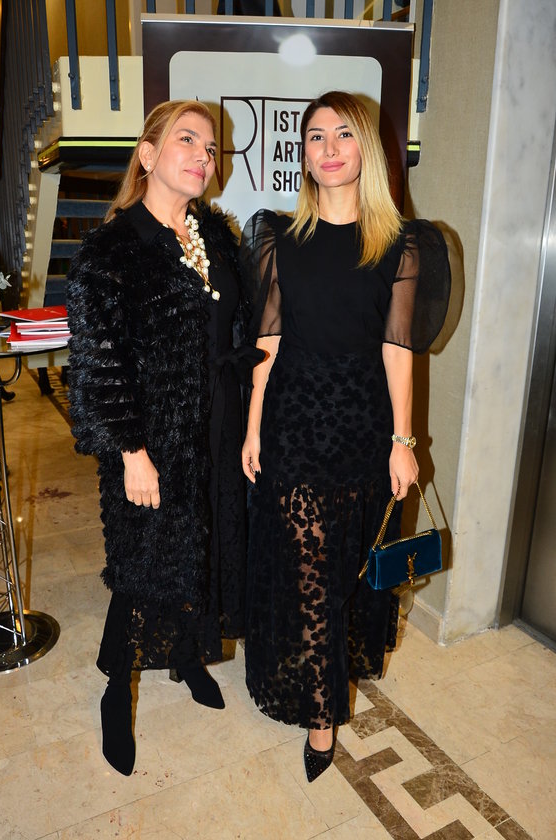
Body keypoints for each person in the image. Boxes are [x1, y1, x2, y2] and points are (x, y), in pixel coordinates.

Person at [240, 90, 450, 782]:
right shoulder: (276, 236)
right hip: (294, 423)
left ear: (367, 150)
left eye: (343, 134)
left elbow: (398, 350)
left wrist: (403, 442)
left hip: (362, 429)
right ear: (302, 154)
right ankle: (322, 716)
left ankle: (326, 683)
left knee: (342, 576)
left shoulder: (402, 244)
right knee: (309, 574)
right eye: (315, 136)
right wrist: (252, 427)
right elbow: (267, 340)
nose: (328, 148)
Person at [67, 100, 261, 776]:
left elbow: (240, 327)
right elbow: (99, 366)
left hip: (220, 428)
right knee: (143, 565)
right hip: (154, 441)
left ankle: (188, 657)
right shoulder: (113, 250)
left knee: (205, 549)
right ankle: (115, 692)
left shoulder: (216, 234)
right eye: (187, 140)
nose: (203, 155)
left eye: (210, 146)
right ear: (147, 155)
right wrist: (131, 453)